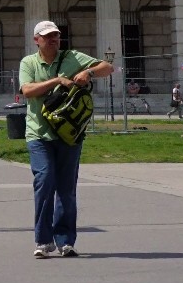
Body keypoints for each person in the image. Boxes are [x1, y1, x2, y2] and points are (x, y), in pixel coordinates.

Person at [19, 21, 113, 258]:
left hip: (69, 134)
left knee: (66, 189)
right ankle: (43, 240)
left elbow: (108, 67)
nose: (53, 40)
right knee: (44, 180)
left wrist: (88, 72)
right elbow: (27, 90)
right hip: (38, 133)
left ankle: (65, 241)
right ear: (36, 40)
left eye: (56, 36)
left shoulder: (72, 57)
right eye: (47, 36)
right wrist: (58, 81)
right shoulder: (28, 62)